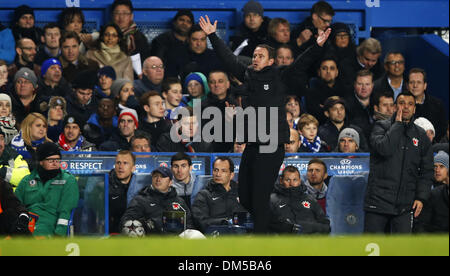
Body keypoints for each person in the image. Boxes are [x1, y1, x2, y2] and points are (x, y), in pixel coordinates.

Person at [199, 14, 330, 233]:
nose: (255, 58)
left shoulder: (280, 76)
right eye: (254, 55)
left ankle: (261, 245)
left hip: (271, 147)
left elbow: (301, 63)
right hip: (251, 145)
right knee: (247, 200)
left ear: (270, 61)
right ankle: (287, 229)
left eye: (260, 56)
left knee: (259, 201)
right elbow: (229, 60)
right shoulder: (248, 74)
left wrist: (316, 46)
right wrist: (213, 35)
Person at [364, 91, 434, 234]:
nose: (406, 107)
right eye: (402, 103)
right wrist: (398, 125)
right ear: (395, 107)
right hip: (378, 202)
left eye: (410, 104)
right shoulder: (381, 127)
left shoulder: (421, 136)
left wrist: (421, 198)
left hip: (405, 205)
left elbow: (426, 171)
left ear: (415, 108)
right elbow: (385, 148)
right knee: (372, 248)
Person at [14, 142, 79, 237]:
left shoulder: (67, 180)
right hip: (28, 223)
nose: (55, 163)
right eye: (51, 160)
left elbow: (66, 212)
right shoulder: (27, 181)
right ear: (41, 162)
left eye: (57, 160)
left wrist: (59, 235)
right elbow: (16, 205)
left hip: (51, 225)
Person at [120, 166, 195, 236]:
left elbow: (189, 225)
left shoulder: (179, 202)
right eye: (155, 176)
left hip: (176, 242)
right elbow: (126, 222)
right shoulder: (140, 200)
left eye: (162, 177)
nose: (158, 179)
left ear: (170, 182)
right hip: (149, 241)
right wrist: (143, 225)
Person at [269, 165, 330, 234]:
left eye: (295, 180)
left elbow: (326, 226)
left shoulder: (310, 199)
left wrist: (308, 228)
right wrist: (288, 228)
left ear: (299, 181)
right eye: (288, 180)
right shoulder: (272, 200)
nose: (291, 184)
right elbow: (266, 223)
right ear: (281, 180)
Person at [192, 157, 246, 233]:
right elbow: (201, 222)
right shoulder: (204, 195)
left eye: (223, 171)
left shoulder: (241, 194)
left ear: (231, 175)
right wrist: (225, 222)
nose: (218, 174)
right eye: (215, 170)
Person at [407, 68, 447, 142]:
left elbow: (442, 130)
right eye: (412, 82)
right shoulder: (402, 105)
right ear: (407, 85)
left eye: (419, 82)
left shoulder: (437, 105)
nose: (415, 85)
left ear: (425, 86)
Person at [108, 150, 142, 234]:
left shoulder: (141, 188)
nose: (120, 166)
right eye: (118, 163)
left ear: (133, 168)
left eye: (125, 163)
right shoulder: (105, 185)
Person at [415, 151, 449, 233]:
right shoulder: (434, 193)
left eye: (441, 166)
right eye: (435, 166)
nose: (437, 170)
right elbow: (423, 223)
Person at [345, 69, 375, 142]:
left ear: (372, 85)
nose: (364, 88)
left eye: (367, 84)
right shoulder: (346, 105)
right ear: (354, 85)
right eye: (360, 84)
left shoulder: (378, 102)